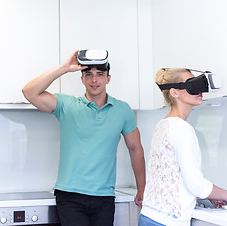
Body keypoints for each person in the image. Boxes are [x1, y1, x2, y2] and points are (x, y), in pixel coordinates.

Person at [22, 50, 146, 226]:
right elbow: (29, 92)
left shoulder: (123, 110)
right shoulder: (67, 105)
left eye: (100, 75)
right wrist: (64, 68)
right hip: (70, 196)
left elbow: (135, 149)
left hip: (104, 197)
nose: (94, 80)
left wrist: (142, 188)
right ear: (82, 79)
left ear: (108, 79)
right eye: (88, 75)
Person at [139, 68, 227, 226]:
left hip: (149, 216)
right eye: (192, 85)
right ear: (174, 92)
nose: (200, 90)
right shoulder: (182, 128)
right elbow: (195, 183)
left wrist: (211, 195)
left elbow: (174, 175)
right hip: (167, 221)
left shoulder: (162, 125)